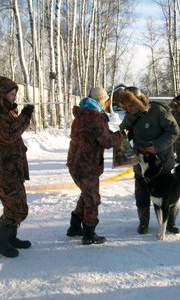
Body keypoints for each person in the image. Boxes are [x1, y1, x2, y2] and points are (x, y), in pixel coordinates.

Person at [0, 76, 34, 258]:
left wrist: (16, 112)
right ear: (0, 95)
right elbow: (9, 134)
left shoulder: (3, 111)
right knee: (16, 208)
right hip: (2, 170)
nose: (13, 98)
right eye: (10, 94)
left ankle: (10, 237)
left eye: (14, 94)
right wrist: (25, 116)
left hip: (11, 168)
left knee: (16, 205)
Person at [115, 87, 180, 235]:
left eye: (132, 105)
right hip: (142, 165)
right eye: (126, 107)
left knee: (167, 194)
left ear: (141, 100)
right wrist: (122, 137)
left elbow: (174, 131)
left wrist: (156, 146)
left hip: (161, 163)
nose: (129, 109)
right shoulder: (130, 116)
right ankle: (143, 222)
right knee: (142, 193)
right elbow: (123, 134)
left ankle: (170, 222)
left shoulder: (158, 111)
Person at [66, 87, 126, 245]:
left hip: (76, 163)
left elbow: (99, 136)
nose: (107, 104)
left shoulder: (83, 114)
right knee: (92, 200)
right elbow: (106, 142)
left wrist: (113, 134)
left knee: (86, 194)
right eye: (106, 101)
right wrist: (122, 135)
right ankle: (88, 234)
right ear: (102, 100)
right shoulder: (95, 117)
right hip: (87, 165)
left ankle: (74, 227)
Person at [169, 94, 180, 162]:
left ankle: (177, 156)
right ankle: (178, 158)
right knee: (178, 143)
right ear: (179, 100)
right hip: (175, 127)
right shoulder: (173, 105)